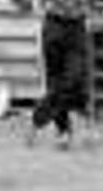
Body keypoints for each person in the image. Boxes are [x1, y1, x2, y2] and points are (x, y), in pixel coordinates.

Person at [25, 0, 97, 150]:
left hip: (77, 24)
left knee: (75, 77)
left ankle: (38, 118)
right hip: (53, 22)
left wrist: (90, 12)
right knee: (55, 80)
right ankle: (62, 130)